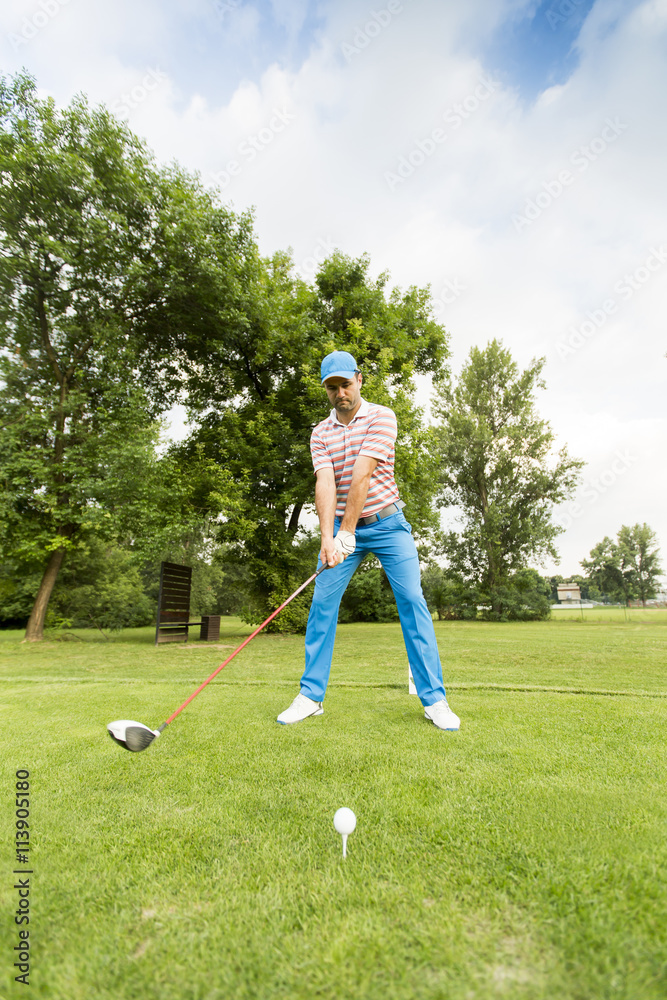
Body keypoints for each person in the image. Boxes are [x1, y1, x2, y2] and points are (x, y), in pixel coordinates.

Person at [277, 350, 460, 731]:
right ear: (326, 390)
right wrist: (328, 538)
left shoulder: (382, 416)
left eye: (345, 384)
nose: (340, 393)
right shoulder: (320, 433)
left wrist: (346, 532)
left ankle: (434, 700)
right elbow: (325, 482)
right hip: (342, 530)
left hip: (388, 524)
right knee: (322, 606)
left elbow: (362, 474)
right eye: (332, 388)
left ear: (359, 380)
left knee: (412, 602)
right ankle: (310, 696)